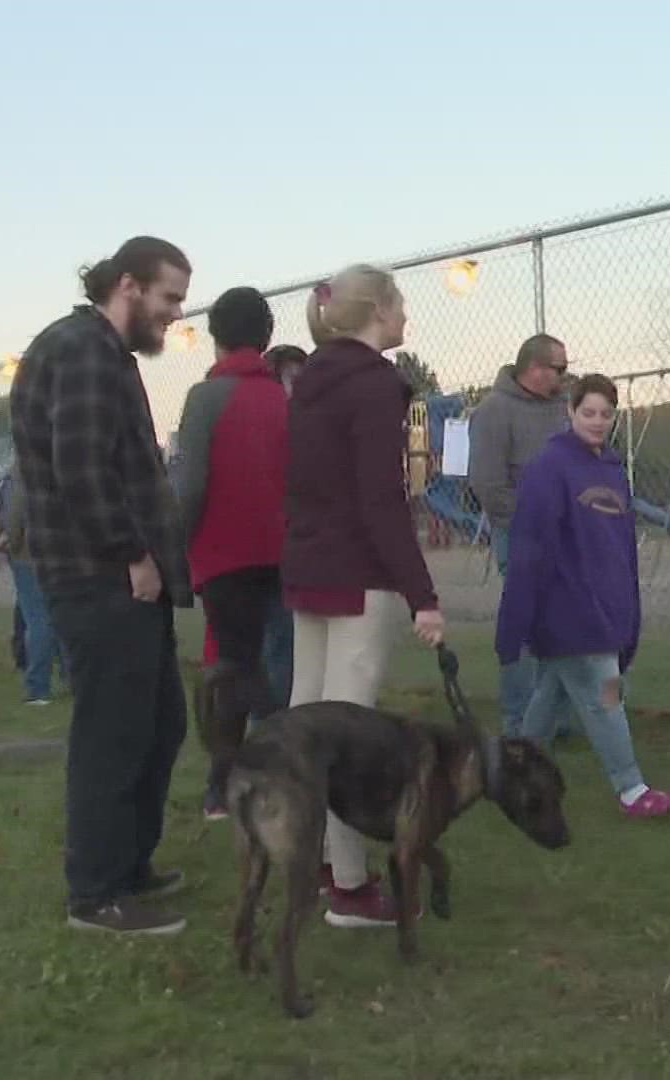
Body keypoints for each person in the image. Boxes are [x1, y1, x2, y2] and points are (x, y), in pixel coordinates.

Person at [10, 235, 195, 936]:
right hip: (98, 578)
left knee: (157, 723)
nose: (175, 313)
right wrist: (132, 555)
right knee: (111, 735)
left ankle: (127, 865)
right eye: (169, 296)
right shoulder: (84, 350)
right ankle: (95, 893)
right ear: (128, 285)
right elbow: (79, 467)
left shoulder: (99, 351)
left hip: (112, 575)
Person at [281, 263, 443, 929]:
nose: (406, 313)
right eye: (400, 302)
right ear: (379, 308)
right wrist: (421, 593)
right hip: (358, 574)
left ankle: (318, 860)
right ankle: (349, 886)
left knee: (306, 721)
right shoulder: (375, 386)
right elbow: (381, 500)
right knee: (347, 731)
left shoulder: (308, 382)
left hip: (309, 564)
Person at [496, 374, 670, 818]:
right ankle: (631, 787)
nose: (597, 422)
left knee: (552, 695)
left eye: (605, 414)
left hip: (607, 605)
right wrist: (516, 621)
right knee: (605, 692)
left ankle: (507, 772)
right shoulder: (548, 469)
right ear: (570, 412)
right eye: (588, 413)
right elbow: (529, 548)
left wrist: (627, 610)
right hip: (568, 609)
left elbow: (620, 549)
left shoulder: (612, 469)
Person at [174, 287, 292, 820]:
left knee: (233, 667)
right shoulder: (281, 399)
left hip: (225, 554)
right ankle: (267, 772)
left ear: (216, 337)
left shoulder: (206, 398)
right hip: (282, 552)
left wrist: (176, 540)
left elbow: (192, 483)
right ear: (266, 336)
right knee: (271, 661)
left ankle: (227, 784)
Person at [468, 334, 573, 736]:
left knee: (562, 628)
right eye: (559, 369)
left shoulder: (561, 409)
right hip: (522, 537)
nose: (565, 378)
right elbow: (488, 484)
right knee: (525, 632)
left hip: (567, 536)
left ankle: (553, 718)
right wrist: (534, 521)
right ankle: (518, 723)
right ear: (534, 368)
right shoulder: (494, 412)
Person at [0, 463, 62, 706]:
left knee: (38, 618)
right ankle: (72, 676)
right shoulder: (66, 458)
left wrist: (5, 544)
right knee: (61, 616)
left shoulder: (24, 469)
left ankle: (38, 687)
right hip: (63, 552)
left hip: (29, 554)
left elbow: (14, 513)